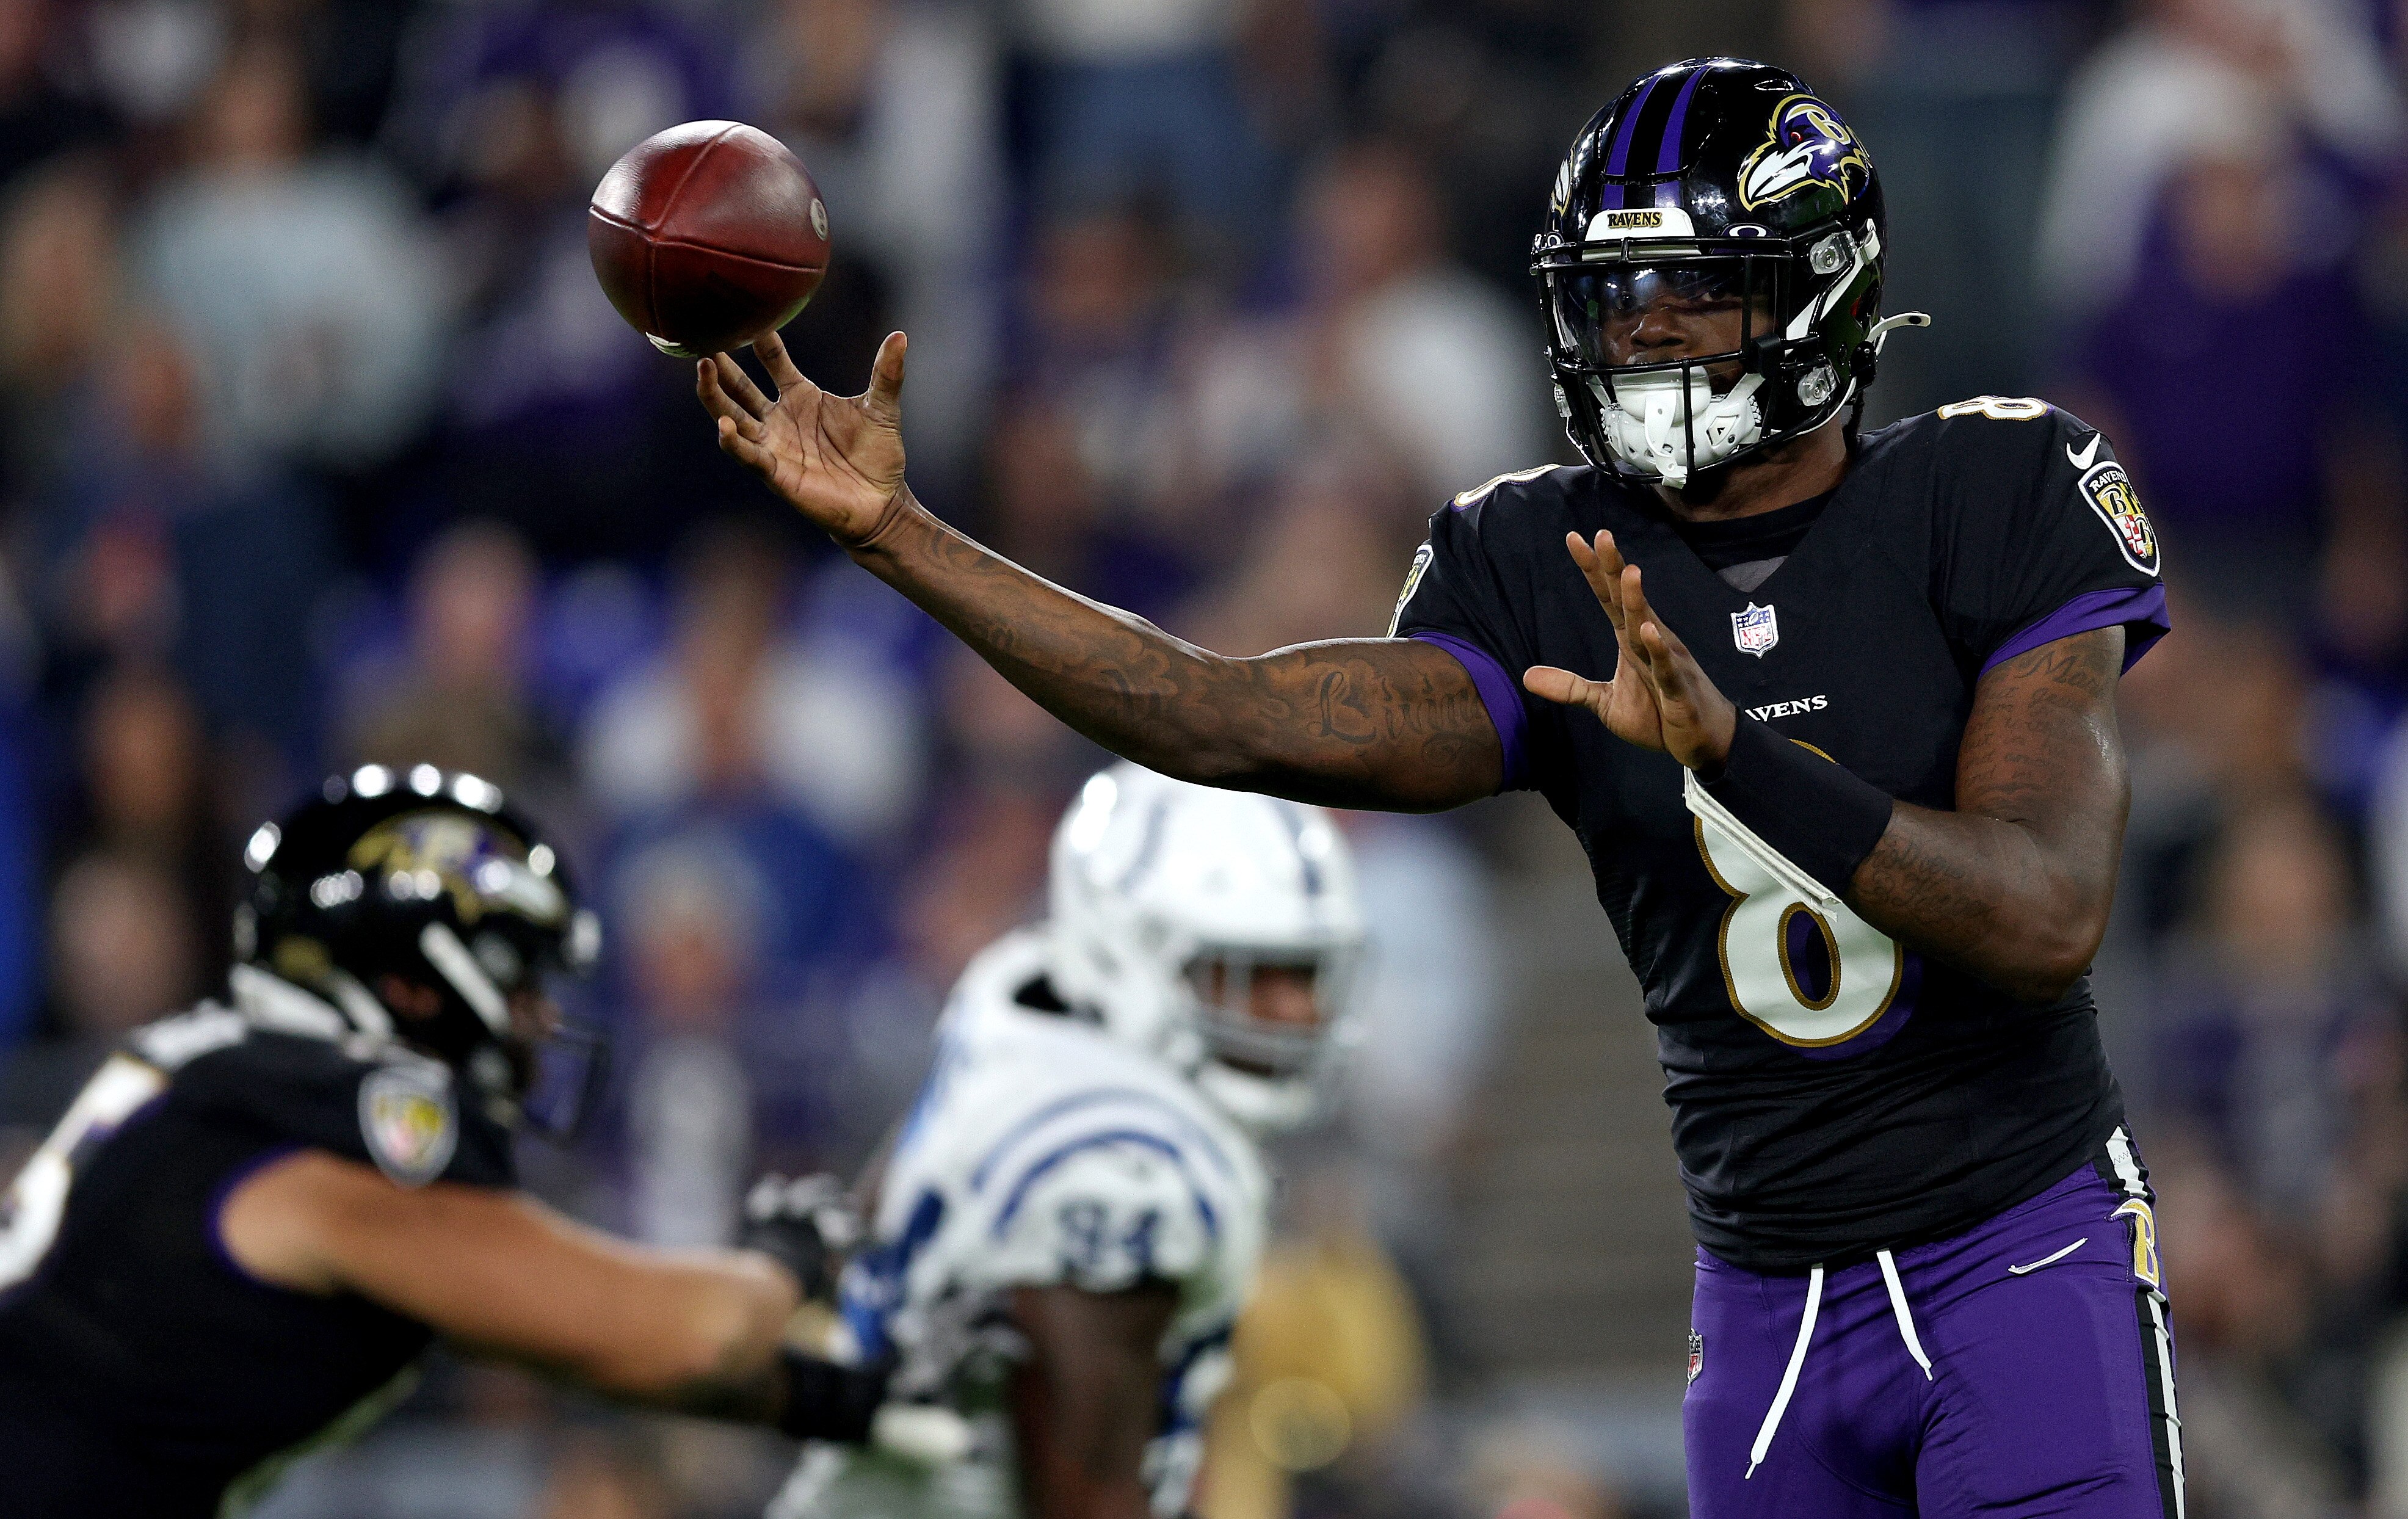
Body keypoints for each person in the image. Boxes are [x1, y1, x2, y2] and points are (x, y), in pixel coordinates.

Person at [695, 56, 2181, 1519]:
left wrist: (1730, 753)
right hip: (1761, 1303)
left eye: (1691, 287)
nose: (1645, 329)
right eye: (1614, 293)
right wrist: (904, 537)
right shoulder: (1542, 557)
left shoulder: (1994, 493)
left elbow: (2042, 912)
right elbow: (1223, 716)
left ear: (1819, 286)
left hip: (2016, 1257)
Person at [0, 764, 954, 1517]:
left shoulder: (232, 1081)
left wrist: (818, 1392)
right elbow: (692, 1338)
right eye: (520, 981)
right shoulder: (334, 1119)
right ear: (416, 984)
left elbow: (577, 1336)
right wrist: (787, 1261)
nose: (537, 1021)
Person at [770, 762, 1366, 1519]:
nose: (1296, 1012)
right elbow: (1088, 1495)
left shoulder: (1021, 1002)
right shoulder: (1121, 1173)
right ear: (1133, 956)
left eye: (1307, 974)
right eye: (1251, 974)